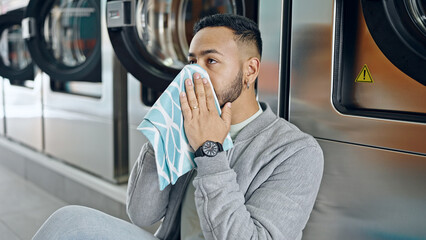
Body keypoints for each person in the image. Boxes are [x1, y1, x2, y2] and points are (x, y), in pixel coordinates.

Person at [32, 14, 323, 240]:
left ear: (250, 70)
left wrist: (209, 151)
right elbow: (142, 214)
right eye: (192, 61)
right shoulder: (187, 124)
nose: (195, 73)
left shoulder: (295, 151)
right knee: (69, 221)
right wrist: (162, 131)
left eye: (211, 61)